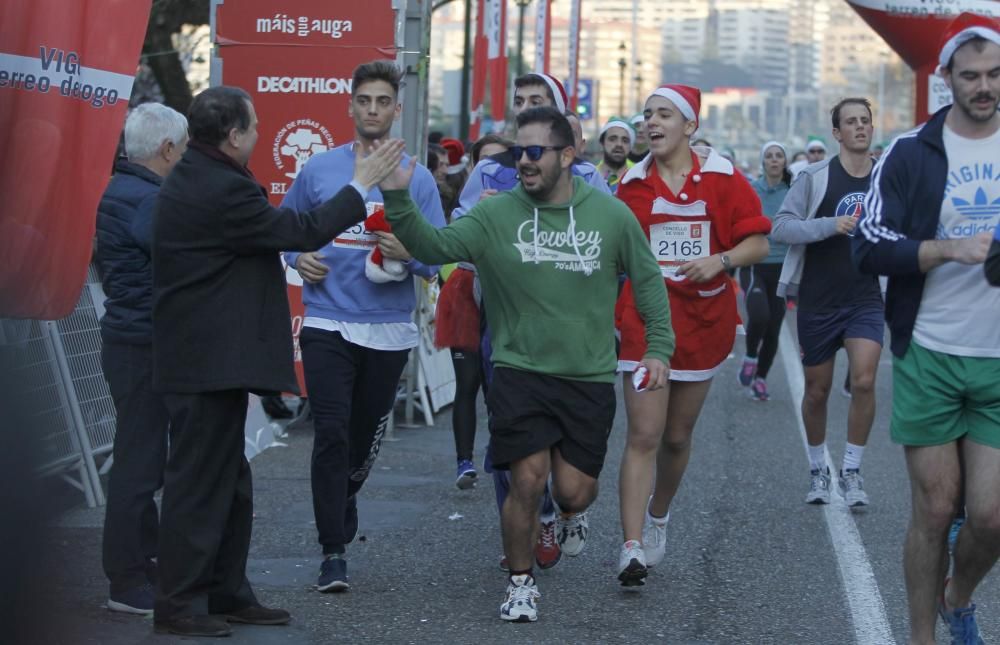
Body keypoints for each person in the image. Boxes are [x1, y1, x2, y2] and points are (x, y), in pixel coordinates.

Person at [383, 106, 674, 622]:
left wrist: (657, 349)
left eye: (535, 152)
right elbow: (433, 245)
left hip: (586, 375)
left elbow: (648, 281)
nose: (524, 162)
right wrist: (399, 194)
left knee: (574, 489)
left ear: (568, 155)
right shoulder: (497, 214)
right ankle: (521, 583)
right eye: (519, 152)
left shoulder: (610, 215)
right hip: (519, 369)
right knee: (526, 478)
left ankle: (569, 515)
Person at [151, 85, 405, 637]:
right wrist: (360, 185)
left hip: (212, 360)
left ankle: (227, 591)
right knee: (198, 485)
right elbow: (300, 230)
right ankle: (178, 605)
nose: (263, 133)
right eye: (257, 125)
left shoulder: (204, 174)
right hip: (203, 363)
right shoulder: (215, 185)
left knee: (231, 482)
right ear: (235, 134)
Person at [853, 13, 1000, 644]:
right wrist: (948, 249)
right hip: (932, 350)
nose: (984, 86)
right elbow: (868, 242)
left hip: (998, 358)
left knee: (991, 517)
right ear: (946, 78)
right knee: (936, 510)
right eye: (970, 76)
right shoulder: (912, 151)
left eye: (995, 74)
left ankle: (957, 595)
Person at [281, 61, 446, 594]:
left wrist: (410, 252)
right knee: (329, 431)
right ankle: (333, 551)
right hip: (328, 319)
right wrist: (296, 257)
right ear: (350, 107)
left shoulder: (416, 177)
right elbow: (285, 230)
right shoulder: (319, 170)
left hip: (388, 327)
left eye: (382, 102)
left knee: (360, 441)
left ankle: (347, 491)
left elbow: (439, 257)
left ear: (397, 111)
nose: (373, 110)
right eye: (364, 101)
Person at [454, 72, 611, 571]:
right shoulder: (488, 173)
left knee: (569, 469)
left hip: (571, 337)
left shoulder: (586, 177)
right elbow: (457, 244)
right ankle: (523, 530)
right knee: (510, 439)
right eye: (519, 100)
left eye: (537, 101)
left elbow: (611, 249)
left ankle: (562, 507)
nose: (526, 107)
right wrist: (478, 224)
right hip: (505, 326)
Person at [615, 84, 770, 588]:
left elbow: (758, 241)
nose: (651, 123)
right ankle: (632, 546)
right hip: (644, 320)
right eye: (646, 115)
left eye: (663, 114)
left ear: (690, 125)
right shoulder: (632, 183)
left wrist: (719, 261)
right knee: (643, 434)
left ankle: (659, 515)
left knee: (677, 437)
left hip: (703, 321)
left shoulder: (724, 178)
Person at [95, 102, 187, 615]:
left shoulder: (121, 190)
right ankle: (127, 579)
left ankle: (141, 562)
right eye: (185, 149)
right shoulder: (150, 201)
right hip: (144, 343)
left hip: (129, 338)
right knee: (139, 464)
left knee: (139, 456)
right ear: (168, 149)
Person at [771, 98, 882, 508]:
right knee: (817, 391)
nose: (859, 128)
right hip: (818, 298)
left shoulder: (886, 178)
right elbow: (780, 227)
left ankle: (852, 470)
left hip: (866, 297)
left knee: (866, 379)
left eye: (865, 121)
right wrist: (829, 225)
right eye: (850, 122)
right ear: (836, 133)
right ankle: (819, 468)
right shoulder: (815, 177)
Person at [435, 135, 512, 490]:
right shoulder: (469, 197)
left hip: (509, 293)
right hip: (467, 289)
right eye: (485, 163)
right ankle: (463, 460)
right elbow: (454, 232)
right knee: (467, 382)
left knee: (500, 381)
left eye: (501, 162)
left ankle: (500, 448)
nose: (493, 170)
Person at [737, 141, 792, 401]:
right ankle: (750, 355)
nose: (773, 160)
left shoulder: (792, 191)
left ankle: (760, 377)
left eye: (778, 156)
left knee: (773, 327)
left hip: (783, 267)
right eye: (769, 156)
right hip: (754, 263)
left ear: (784, 161)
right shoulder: (751, 189)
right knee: (759, 315)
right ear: (763, 162)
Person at [596, 116, 635, 192]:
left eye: (625, 140)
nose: (619, 144)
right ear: (602, 143)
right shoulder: (590, 176)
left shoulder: (638, 176)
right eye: (612, 139)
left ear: (630, 146)